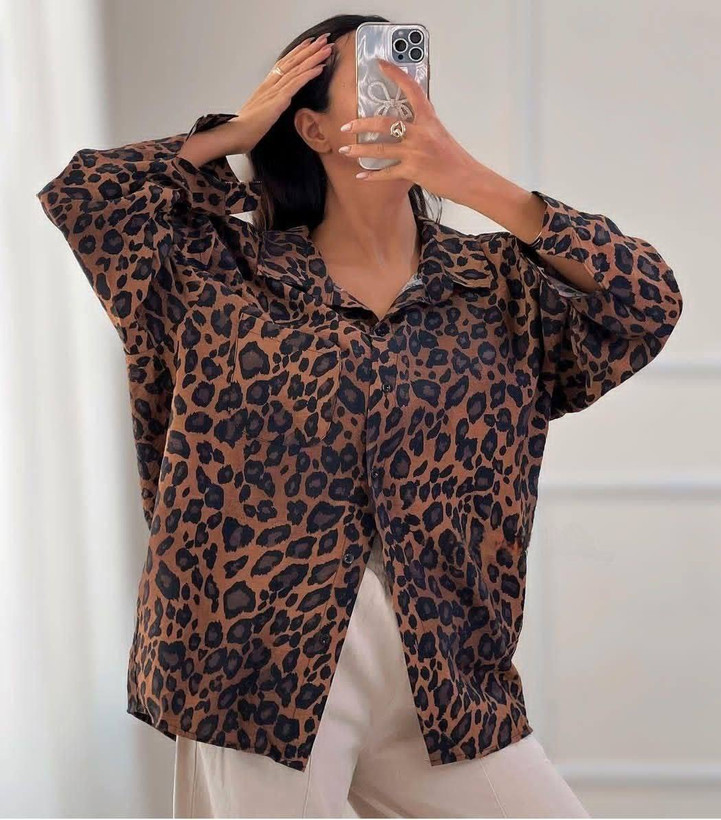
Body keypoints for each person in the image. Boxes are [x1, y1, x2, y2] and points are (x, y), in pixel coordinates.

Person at [36, 11, 682, 819]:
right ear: (310, 126)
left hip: (447, 682)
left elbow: (647, 300)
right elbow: (85, 197)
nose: (402, 91)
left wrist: (470, 179)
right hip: (258, 679)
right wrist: (237, 132)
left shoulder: (496, 288)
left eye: (413, 73)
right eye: (374, 74)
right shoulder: (217, 277)